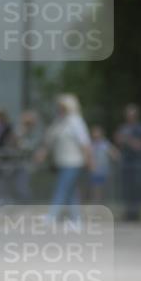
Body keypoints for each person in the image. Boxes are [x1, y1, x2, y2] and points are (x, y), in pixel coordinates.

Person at [41, 94, 93, 222]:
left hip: (73, 162)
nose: (60, 109)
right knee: (70, 193)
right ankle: (76, 220)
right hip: (62, 162)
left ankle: (52, 216)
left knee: (62, 188)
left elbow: (85, 142)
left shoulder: (76, 121)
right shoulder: (60, 121)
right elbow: (50, 139)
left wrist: (89, 159)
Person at [115, 104, 141, 221]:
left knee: (137, 187)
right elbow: (118, 142)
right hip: (126, 162)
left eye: (131, 114)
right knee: (126, 188)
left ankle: (136, 213)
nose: (129, 116)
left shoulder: (140, 128)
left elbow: (139, 146)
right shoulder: (123, 127)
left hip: (137, 163)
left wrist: (127, 139)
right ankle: (128, 212)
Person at [88, 124, 119, 203]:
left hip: (105, 171)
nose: (95, 135)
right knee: (96, 190)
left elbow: (115, 154)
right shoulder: (90, 144)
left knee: (104, 191)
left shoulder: (105, 144)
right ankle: (97, 205)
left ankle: (103, 204)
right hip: (95, 172)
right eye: (94, 132)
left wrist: (114, 156)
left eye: (97, 132)